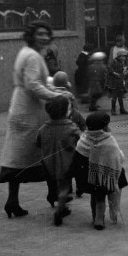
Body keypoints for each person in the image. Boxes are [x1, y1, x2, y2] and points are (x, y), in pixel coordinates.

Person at [0, 21, 60, 218]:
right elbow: (33, 84)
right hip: (29, 110)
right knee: (42, 150)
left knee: (17, 156)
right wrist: (56, 96)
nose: (43, 37)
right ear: (31, 35)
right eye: (39, 34)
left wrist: (53, 90)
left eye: (46, 34)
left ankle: (13, 201)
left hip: (22, 106)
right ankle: (54, 195)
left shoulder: (26, 52)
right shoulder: (33, 56)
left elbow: (35, 83)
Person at [71, 112, 126, 230]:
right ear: (105, 127)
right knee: (101, 198)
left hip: (89, 176)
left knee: (95, 197)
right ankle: (99, 219)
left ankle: (95, 216)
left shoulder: (83, 140)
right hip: (106, 176)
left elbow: (78, 158)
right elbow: (119, 158)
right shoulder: (109, 141)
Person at [36, 95, 81, 226]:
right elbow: (81, 139)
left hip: (47, 163)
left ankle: (54, 200)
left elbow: (38, 143)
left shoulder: (43, 128)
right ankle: (60, 209)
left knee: (53, 183)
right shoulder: (71, 126)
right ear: (65, 111)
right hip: (66, 163)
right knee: (64, 187)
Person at [106, 48, 128, 115]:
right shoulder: (114, 61)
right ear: (119, 56)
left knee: (120, 96)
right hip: (114, 81)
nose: (123, 58)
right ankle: (113, 109)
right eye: (122, 56)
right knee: (114, 96)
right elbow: (110, 69)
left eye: (124, 56)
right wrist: (115, 73)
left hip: (120, 81)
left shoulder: (124, 62)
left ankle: (122, 109)